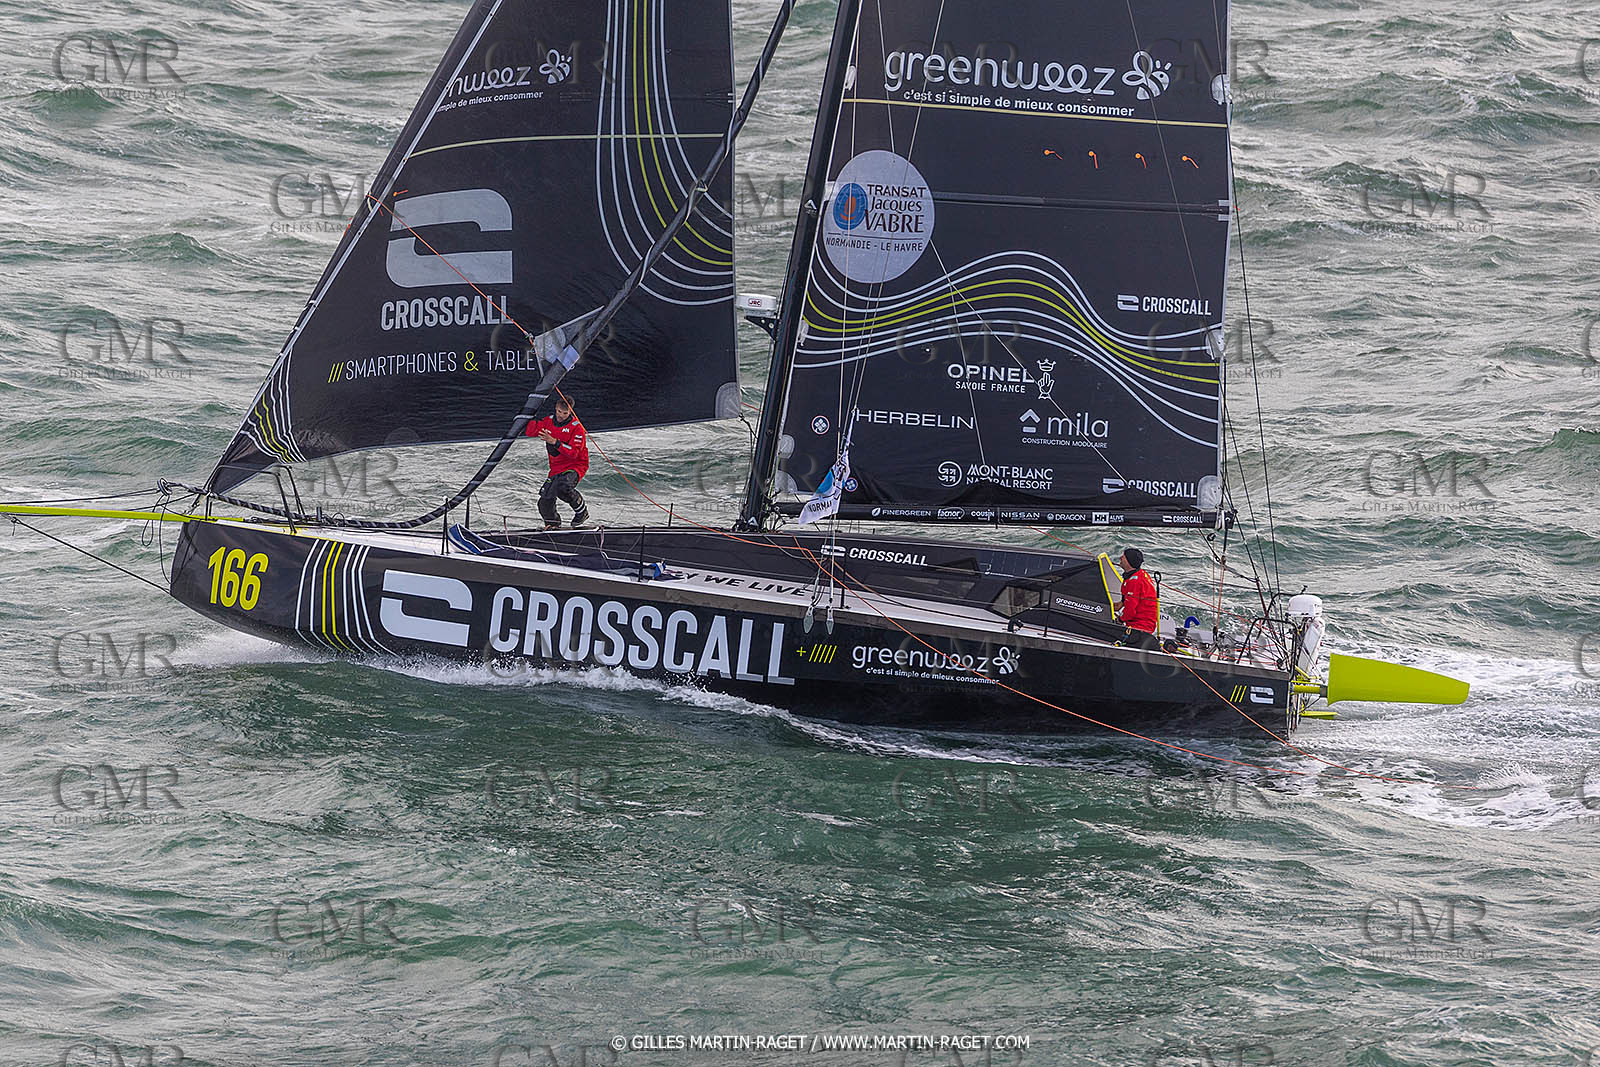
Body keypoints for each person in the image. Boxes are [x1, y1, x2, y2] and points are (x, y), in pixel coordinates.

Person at [526, 396, 590, 529]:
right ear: (556, 408)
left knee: (563, 487)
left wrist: (554, 441)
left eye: (565, 413)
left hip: (575, 465)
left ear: (570, 412)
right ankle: (553, 526)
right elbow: (529, 430)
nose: (561, 416)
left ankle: (582, 512)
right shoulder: (548, 421)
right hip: (556, 468)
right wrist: (528, 414)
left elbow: (574, 453)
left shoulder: (576, 428)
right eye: (559, 412)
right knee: (544, 503)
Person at [1116, 547, 1160, 646]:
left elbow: (1130, 611)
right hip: (1141, 623)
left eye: (1123, 557)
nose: (1120, 558)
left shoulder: (1135, 581)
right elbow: (1123, 603)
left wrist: (1120, 620)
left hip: (1140, 627)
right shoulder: (1137, 575)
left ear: (1128, 561)